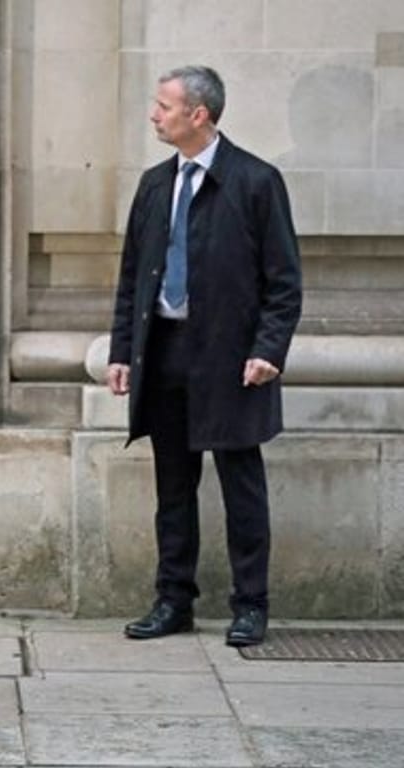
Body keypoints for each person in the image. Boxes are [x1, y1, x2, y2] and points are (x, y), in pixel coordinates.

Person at [106, 65, 302, 648]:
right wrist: (122, 351)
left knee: (242, 484)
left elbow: (284, 281)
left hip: (233, 359)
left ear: (200, 115)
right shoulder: (153, 184)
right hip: (164, 352)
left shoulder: (256, 181)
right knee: (173, 485)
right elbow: (132, 278)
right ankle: (174, 600)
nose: (154, 114)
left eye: (164, 106)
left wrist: (269, 350)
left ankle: (251, 604)